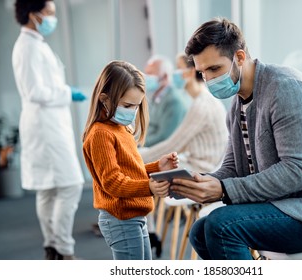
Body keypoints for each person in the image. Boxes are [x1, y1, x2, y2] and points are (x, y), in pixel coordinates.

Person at [168, 18, 302, 260]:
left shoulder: (285, 88)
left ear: (240, 57)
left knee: (220, 225)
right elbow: (233, 167)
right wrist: (201, 182)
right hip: (293, 207)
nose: (210, 80)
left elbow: (297, 171)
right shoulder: (238, 104)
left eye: (215, 69)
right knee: (199, 231)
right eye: (203, 73)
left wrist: (223, 189)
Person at [82, 60, 179, 260]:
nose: (133, 112)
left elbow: (128, 170)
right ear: (104, 99)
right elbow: (112, 182)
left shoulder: (120, 128)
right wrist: (149, 188)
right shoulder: (101, 133)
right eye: (127, 105)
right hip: (120, 219)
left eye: (136, 106)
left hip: (135, 216)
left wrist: (156, 167)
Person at [12, 0, 86, 260]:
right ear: (34, 15)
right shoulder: (28, 48)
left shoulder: (33, 44)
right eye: (50, 13)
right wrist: (68, 93)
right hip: (45, 127)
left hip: (46, 124)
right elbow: (36, 92)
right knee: (71, 185)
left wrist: (65, 93)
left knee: (49, 190)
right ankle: (64, 250)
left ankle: (52, 246)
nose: (54, 19)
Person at [140, 53, 227, 173]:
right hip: (195, 162)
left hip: (201, 169)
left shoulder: (203, 105)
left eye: (179, 69)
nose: (174, 74)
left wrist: (138, 158)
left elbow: (174, 145)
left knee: (146, 170)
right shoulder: (203, 100)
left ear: (191, 72)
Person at [144, 55, 189, 147]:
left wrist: (138, 144)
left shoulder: (174, 102)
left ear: (164, 76)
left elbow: (164, 137)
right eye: (146, 73)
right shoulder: (156, 98)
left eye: (150, 74)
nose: (146, 78)